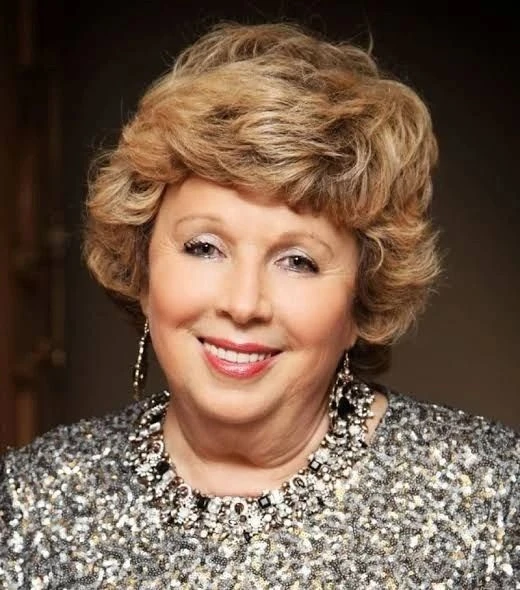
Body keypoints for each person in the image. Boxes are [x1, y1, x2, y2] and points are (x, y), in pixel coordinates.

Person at [1, 22, 518, 589]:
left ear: (362, 301)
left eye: (298, 261)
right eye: (204, 247)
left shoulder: (492, 501)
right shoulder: (29, 505)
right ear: (143, 271)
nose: (243, 303)